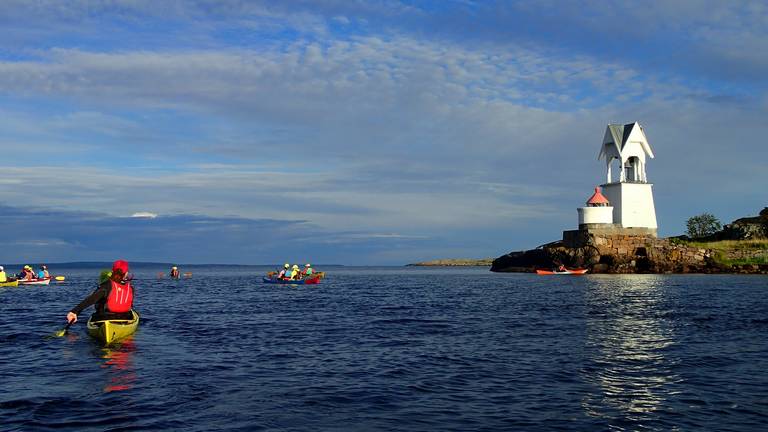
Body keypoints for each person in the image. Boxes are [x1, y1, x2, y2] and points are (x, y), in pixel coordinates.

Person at [66, 260, 134, 324]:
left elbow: (91, 300)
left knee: (101, 302)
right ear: (126, 273)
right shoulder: (130, 288)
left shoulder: (106, 285)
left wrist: (74, 311)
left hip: (105, 318)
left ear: (113, 271)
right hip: (125, 318)